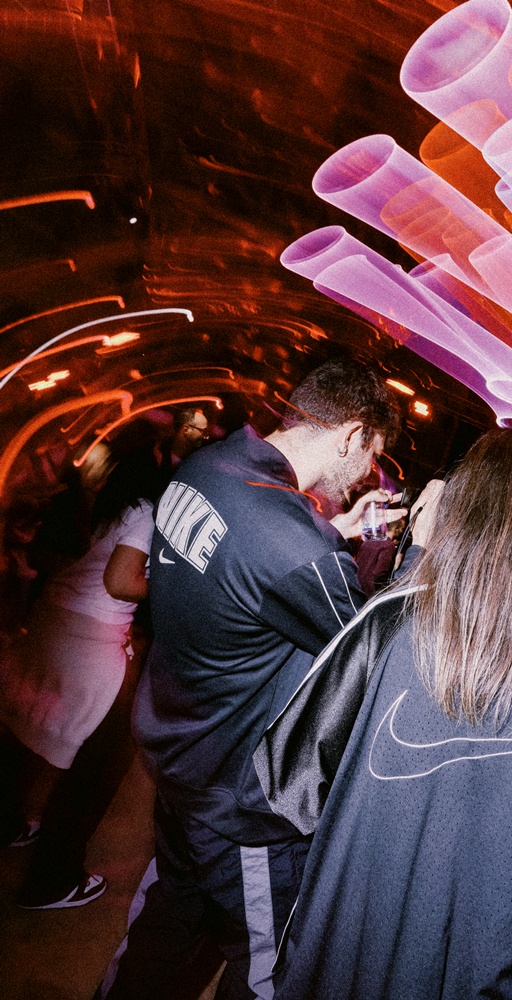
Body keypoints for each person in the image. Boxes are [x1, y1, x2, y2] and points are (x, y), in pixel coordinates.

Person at [262, 428, 512, 1000]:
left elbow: (289, 783)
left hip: (362, 953)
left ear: (458, 508)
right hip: (505, 963)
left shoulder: (386, 622)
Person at [100, 358, 405, 1000]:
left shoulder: (209, 465)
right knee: (271, 967)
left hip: (179, 756)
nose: (366, 473)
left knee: (168, 922)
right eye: (372, 454)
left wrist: (334, 532)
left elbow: (243, 569)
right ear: (351, 435)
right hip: (238, 800)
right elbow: (372, 661)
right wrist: (400, 554)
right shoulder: (294, 544)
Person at [0, 451, 163, 907]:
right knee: (99, 765)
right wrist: (174, 584)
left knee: (27, 728)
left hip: (53, 619)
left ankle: (6, 824)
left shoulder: (109, 503)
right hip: (90, 638)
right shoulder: (147, 513)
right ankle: (50, 881)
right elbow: (120, 582)